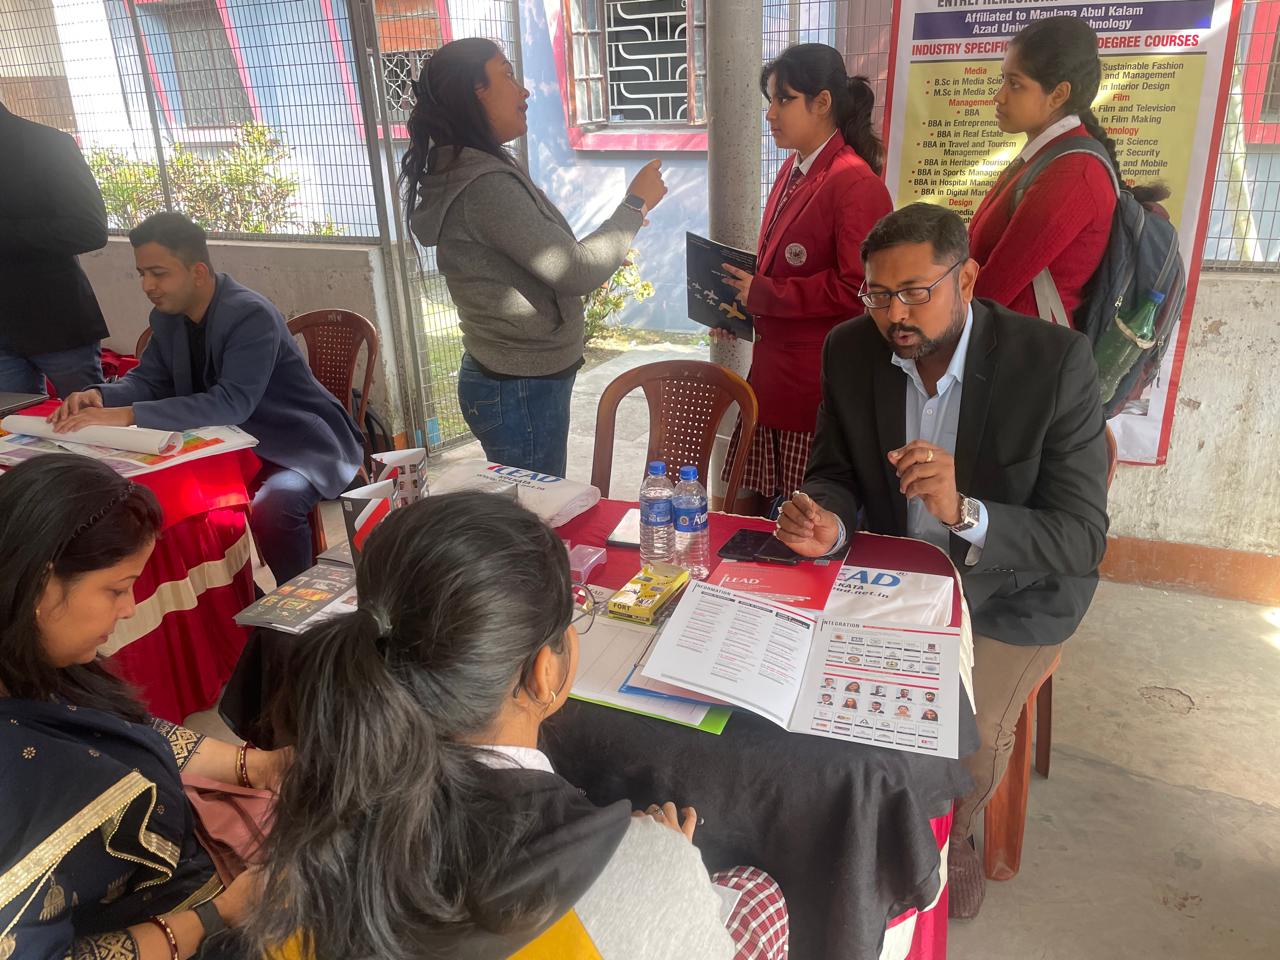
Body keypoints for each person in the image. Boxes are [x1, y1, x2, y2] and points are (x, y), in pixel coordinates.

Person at [246, 492, 788, 960]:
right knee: (757, 891)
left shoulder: (309, 834)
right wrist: (665, 861)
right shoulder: (645, 867)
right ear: (544, 671)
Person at [775, 203, 1108, 919]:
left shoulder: (1051, 364)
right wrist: (827, 519)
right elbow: (835, 468)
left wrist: (967, 513)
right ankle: (849, 827)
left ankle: (951, 831)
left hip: (1013, 589)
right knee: (805, 689)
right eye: (878, 294)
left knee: (963, 731)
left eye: (916, 292)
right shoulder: (850, 349)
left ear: (969, 278)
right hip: (895, 573)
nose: (896, 314)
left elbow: (1081, 539)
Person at [0, 454, 291, 959]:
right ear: (40, 586)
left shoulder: (32, 654)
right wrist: (218, 916)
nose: (131, 607)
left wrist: (259, 766)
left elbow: (119, 728)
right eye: (116, 589)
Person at [48, 213, 364, 585]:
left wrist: (126, 415)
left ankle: (298, 606)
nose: (148, 285)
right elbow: (150, 380)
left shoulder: (249, 314)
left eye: (159, 273)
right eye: (141, 274)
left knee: (274, 508)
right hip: (226, 445)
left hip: (293, 443)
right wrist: (99, 396)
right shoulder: (167, 317)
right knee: (163, 500)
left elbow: (231, 402)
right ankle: (222, 602)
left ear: (197, 272)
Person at [403, 38, 667, 478]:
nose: (524, 91)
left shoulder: (471, 167)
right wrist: (636, 204)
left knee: (530, 509)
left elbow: (544, 257)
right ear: (476, 92)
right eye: (506, 74)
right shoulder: (484, 185)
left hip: (513, 379)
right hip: (518, 388)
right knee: (534, 521)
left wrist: (603, 251)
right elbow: (574, 270)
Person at [718, 43, 893, 515]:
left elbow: (862, 291)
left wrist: (766, 293)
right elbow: (778, 266)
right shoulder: (795, 167)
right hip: (775, 376)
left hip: (812, 384)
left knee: (803, 518)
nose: (771, 114)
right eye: (769, 101)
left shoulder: (855, 183)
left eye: (784, 100)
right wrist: (736, 306)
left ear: (822, 103)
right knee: (757, 512)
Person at [968, 16, 1167, 326]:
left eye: (1015, 83)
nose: (999, 95)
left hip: (1025, 359)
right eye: (1002, 79)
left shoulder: (1073, 174)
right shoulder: (1045, 157)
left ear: (1058, 94)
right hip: (1003, 347)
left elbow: (991, 291)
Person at [0, 100, 109, 396]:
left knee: (92, 430)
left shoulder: (48, 144)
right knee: (16, 435)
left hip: (56, 322)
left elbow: (90, 229)